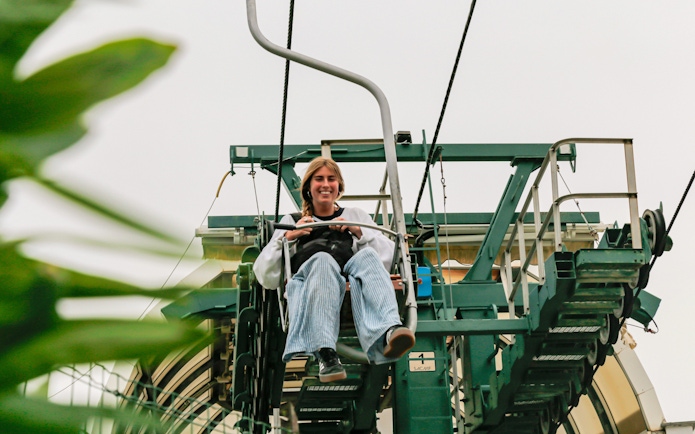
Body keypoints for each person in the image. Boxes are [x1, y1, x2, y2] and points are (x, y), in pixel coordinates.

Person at [253, 157, 416, 382]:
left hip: (348, 272)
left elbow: (388, 258)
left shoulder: (355, 215)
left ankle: (389, 330)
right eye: (319, 179)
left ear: (339, 187)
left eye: (331, 179)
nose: (326, 184)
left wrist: (358, 231)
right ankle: (326, 352)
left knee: (367, 255)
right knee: (322, 260)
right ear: (309, 188)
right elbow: (265, 274)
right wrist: (287, 238)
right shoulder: (292, 220)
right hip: (312, 276)